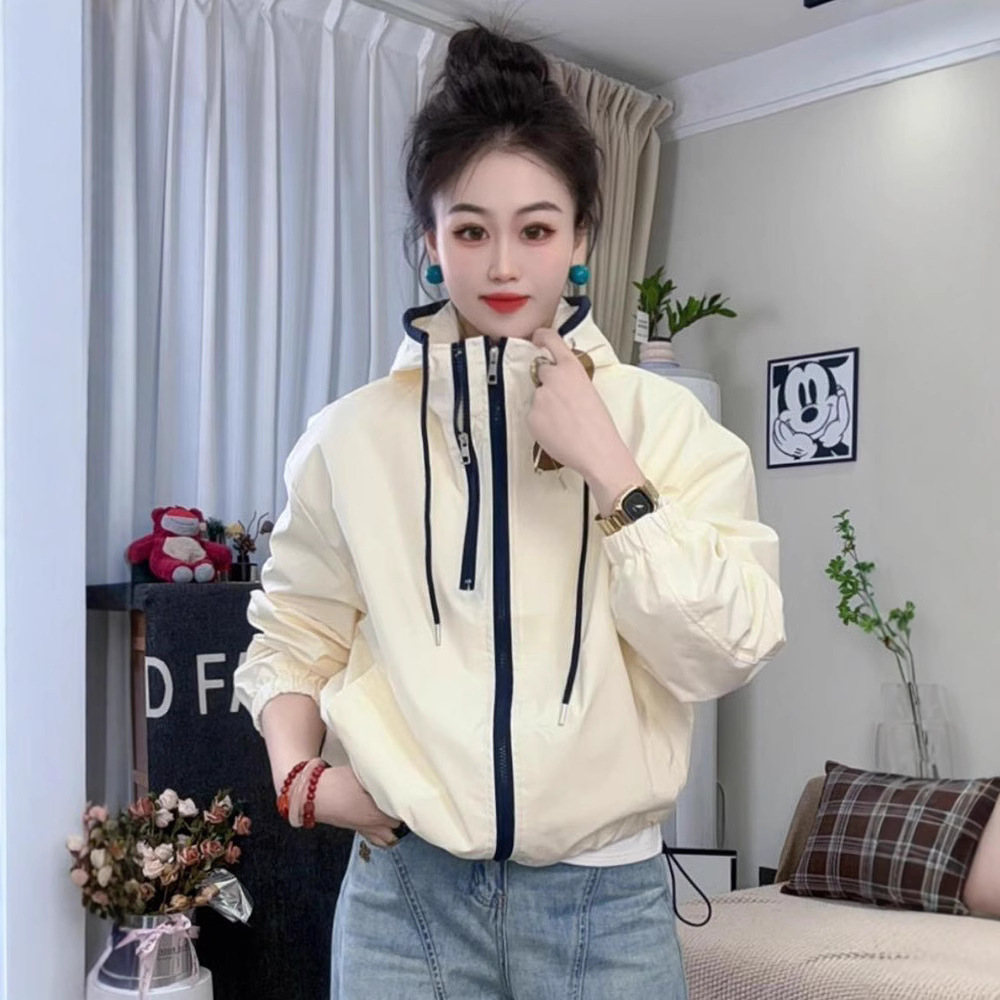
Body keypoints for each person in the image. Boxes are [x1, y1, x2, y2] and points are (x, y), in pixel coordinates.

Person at [234, 24, 785, 999]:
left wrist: (611, 469)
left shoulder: (665, 427)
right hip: (404, 902)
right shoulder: (348, 438)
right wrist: (301, 780)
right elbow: (294, 634)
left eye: (535, 230)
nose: (501, 266)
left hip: (605, 912)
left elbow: (723, 652)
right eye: (469, 230)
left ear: (579, 240)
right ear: (429, 240)